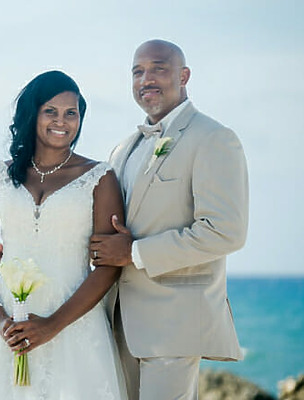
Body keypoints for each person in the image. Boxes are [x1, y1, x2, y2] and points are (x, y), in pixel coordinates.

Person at [0, 70, 128, 399]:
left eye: (72, 113)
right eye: (51, 111)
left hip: (74, 325)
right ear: (33, 114)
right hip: (7, 328)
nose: (62, 121)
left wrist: (53, 324)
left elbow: (108, 266)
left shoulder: (100, 178)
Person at [89, 39, 249, 400]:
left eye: (159, 68)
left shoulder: (214, 139)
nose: (147, 79)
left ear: (184, 75)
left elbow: (225, 231)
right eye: (138, 71)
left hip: (176, 322)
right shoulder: (123, 148)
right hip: (117, 322)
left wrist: (135, 253)